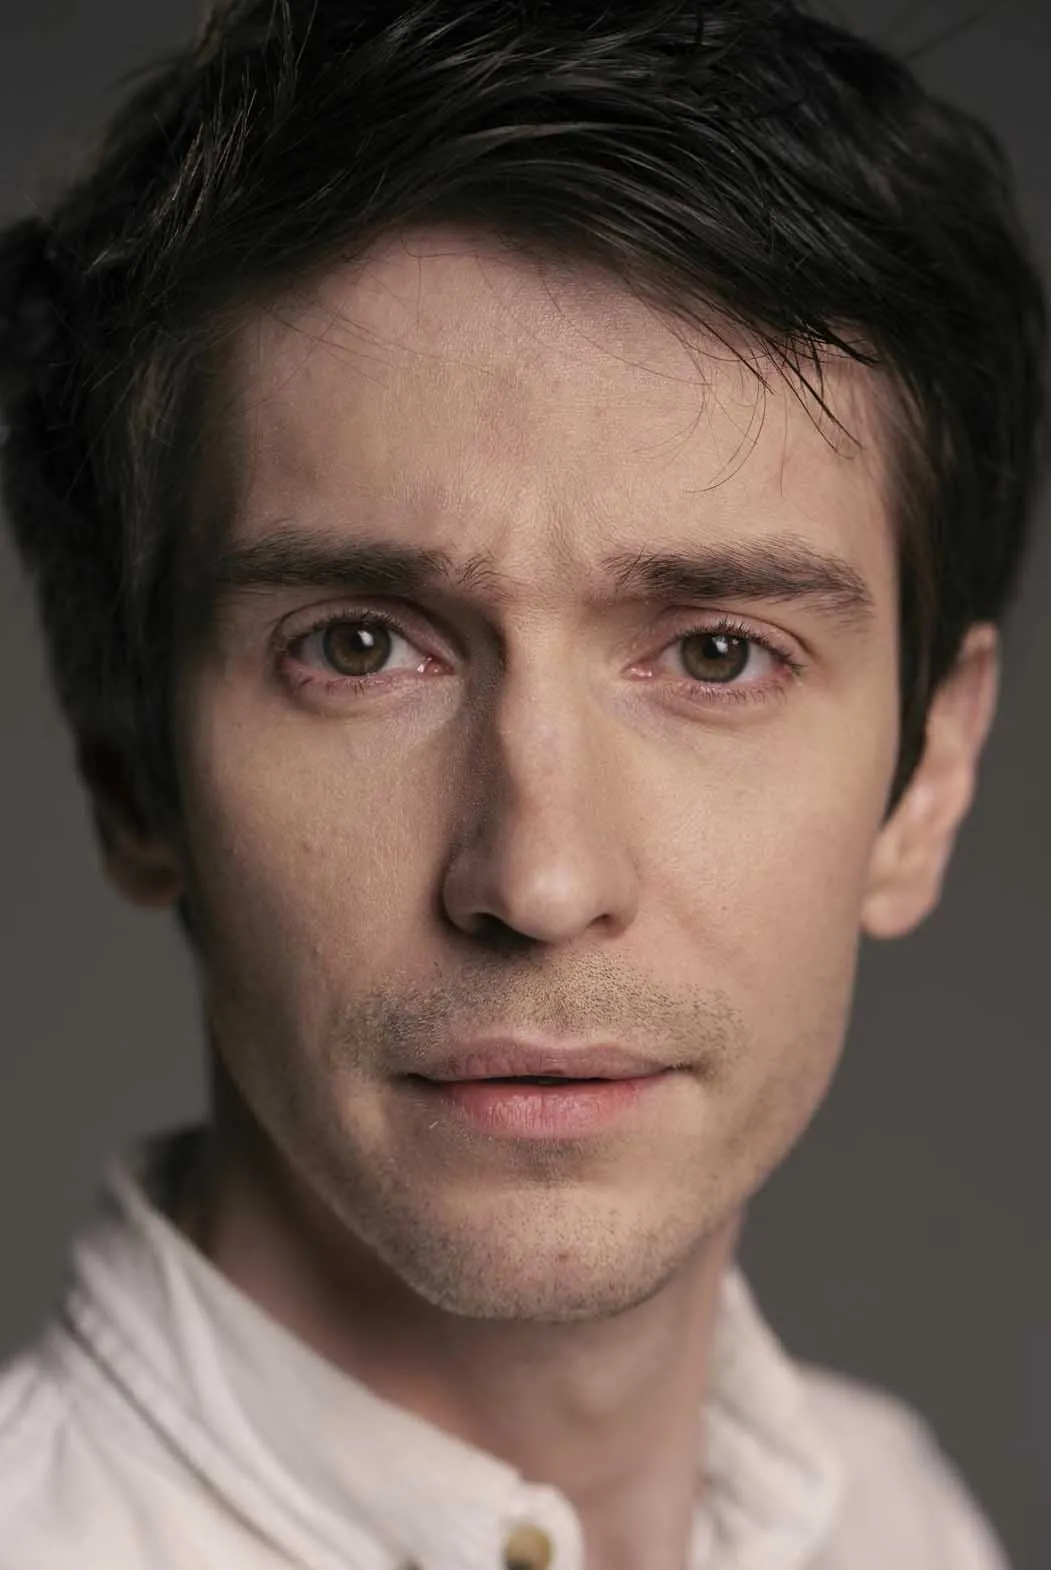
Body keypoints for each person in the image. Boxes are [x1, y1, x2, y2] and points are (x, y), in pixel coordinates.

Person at [0, 0, 1046, 1566]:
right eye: (358, 645)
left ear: (932, 774)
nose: (540, 879)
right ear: (127, 763)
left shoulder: (906, 1521)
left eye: (716, 654)